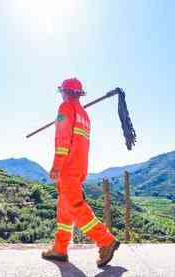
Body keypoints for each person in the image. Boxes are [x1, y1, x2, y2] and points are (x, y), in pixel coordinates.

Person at [41, 77, 120, 268]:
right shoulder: (84, 115)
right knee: (64, 209)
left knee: (75, 207)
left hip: (67, 167)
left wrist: (57, 165)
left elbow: (62, 139)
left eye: (62, 91)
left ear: (66, 92)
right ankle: (60, 249)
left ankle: (105, 240)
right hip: (79, 166)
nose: (61, 94)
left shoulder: (65, 108)